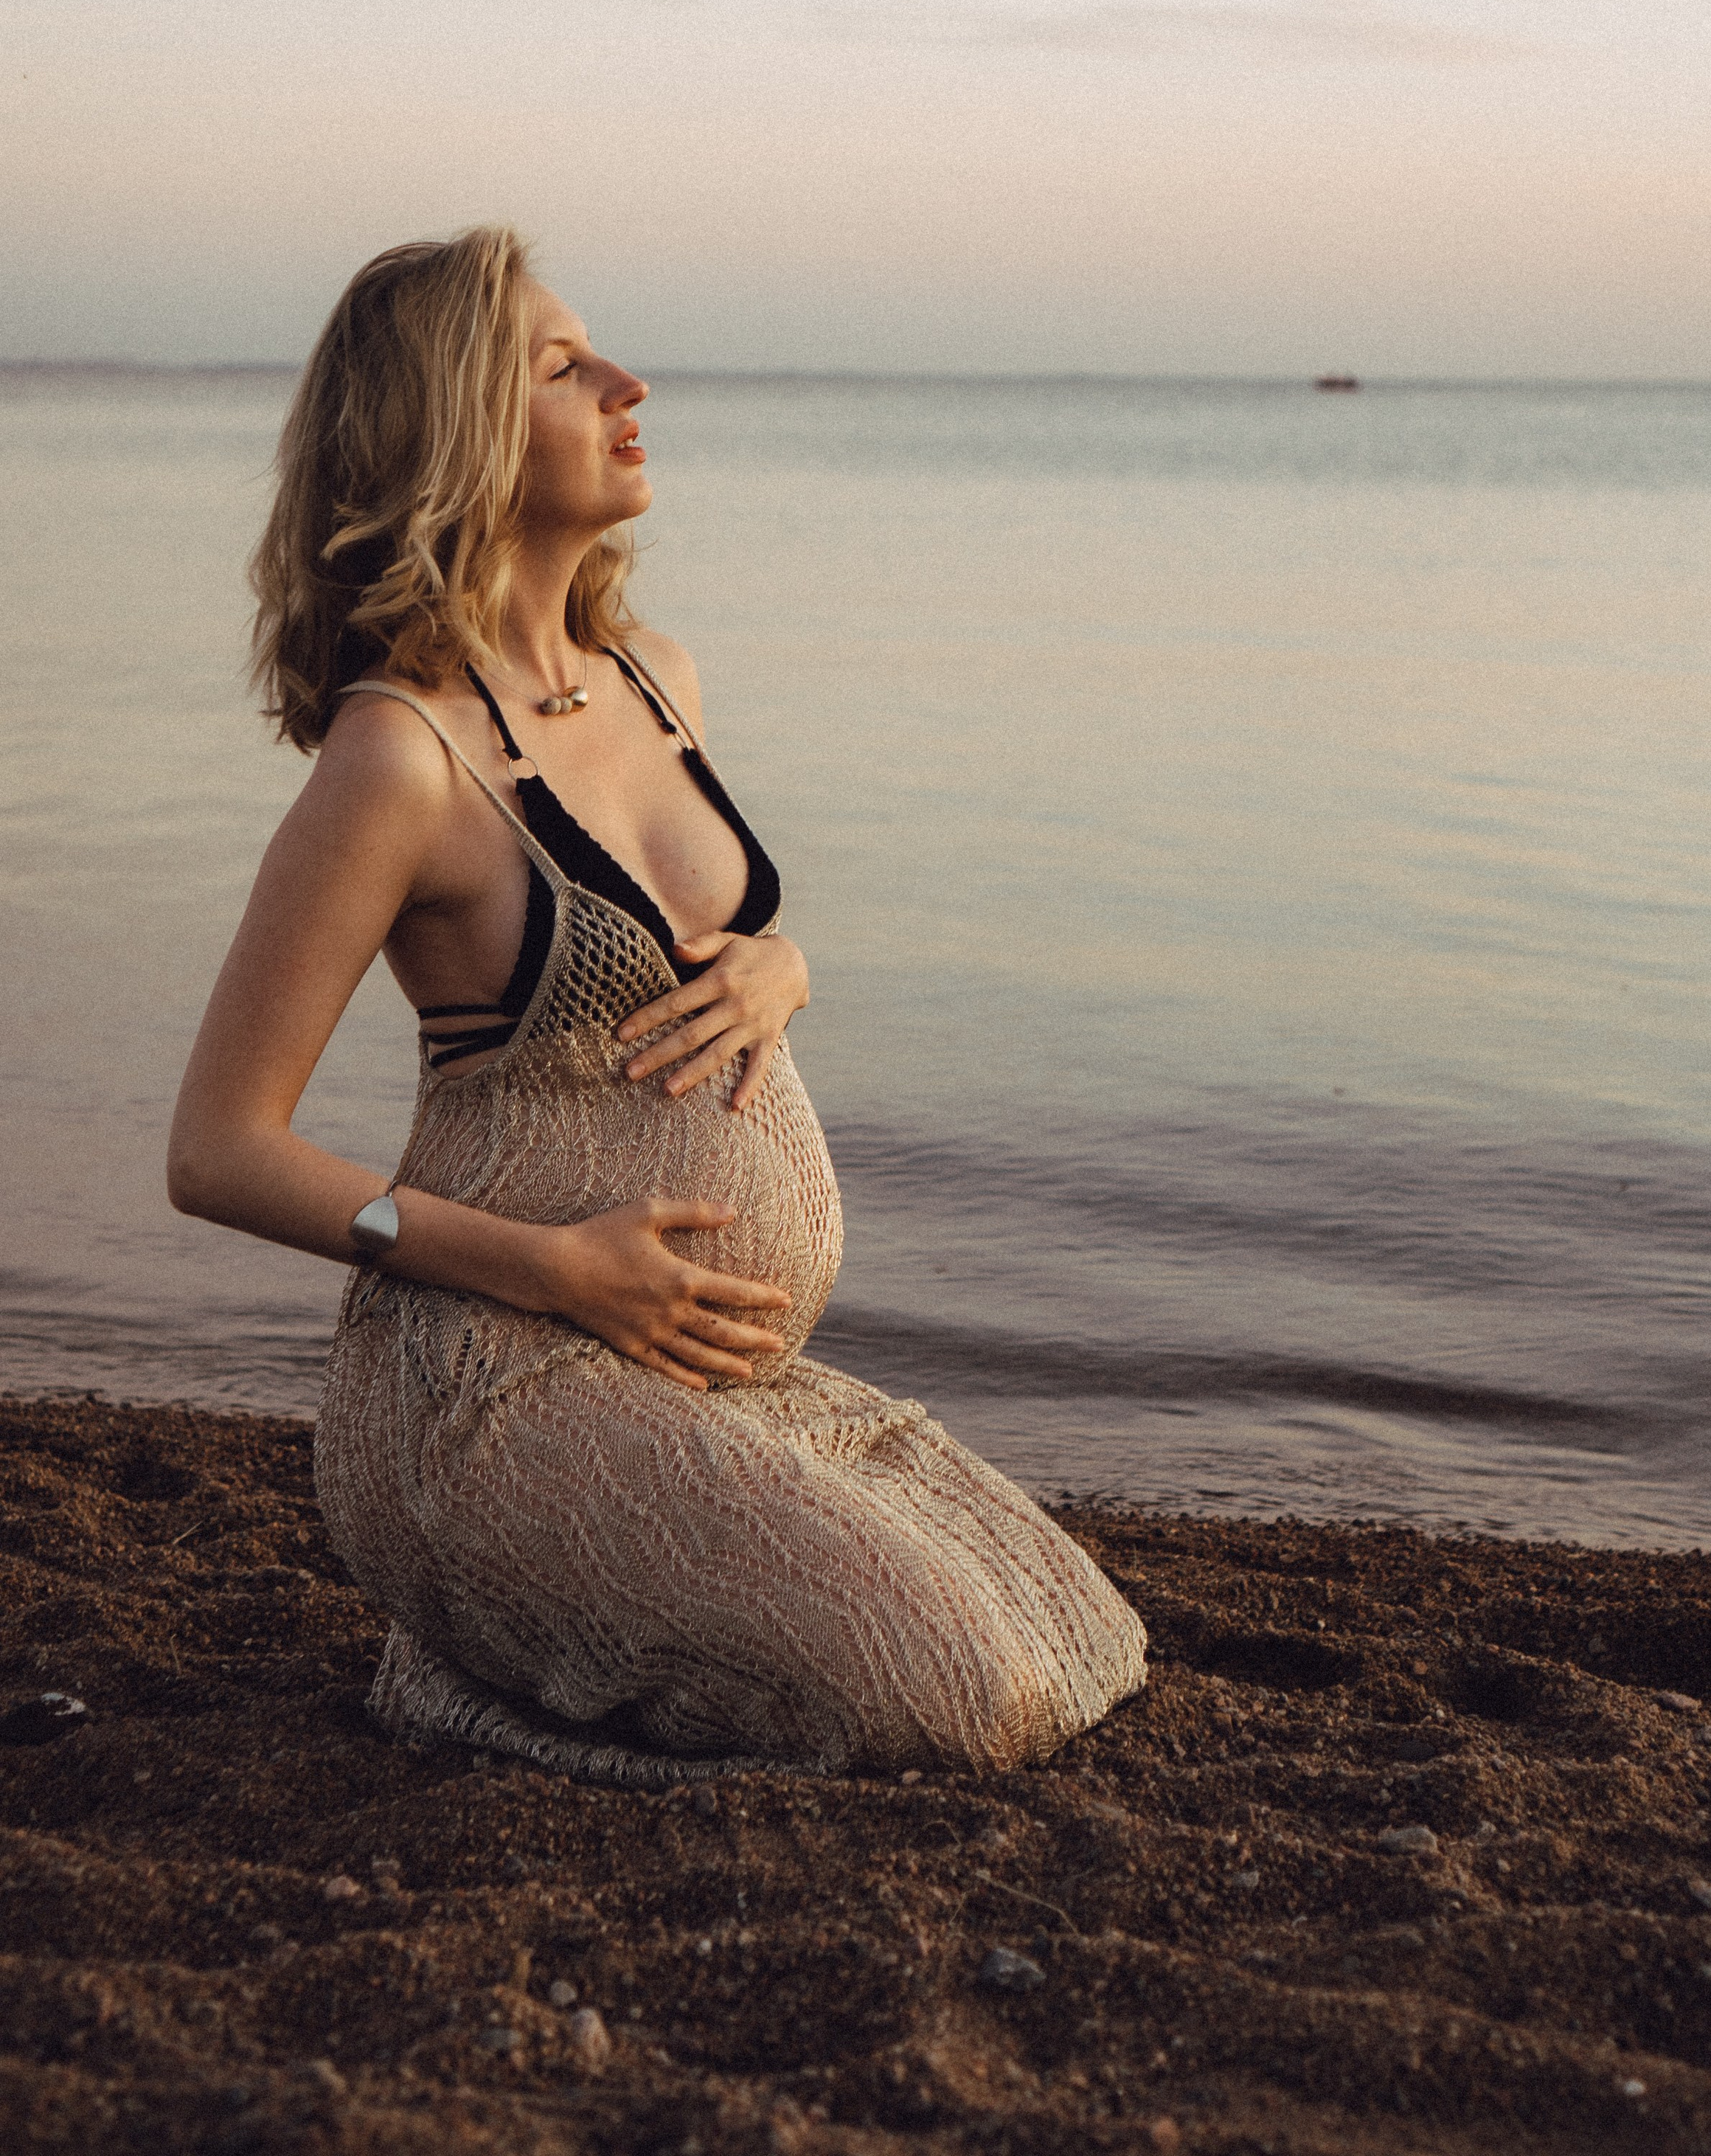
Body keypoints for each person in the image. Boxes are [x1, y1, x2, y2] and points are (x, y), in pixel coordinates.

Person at [168, 226, 1145, 1783]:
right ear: (458, 431)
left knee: (1077, 1638)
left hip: (683, 1371)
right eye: (564, 369)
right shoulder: (400, 757)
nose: (628, 386)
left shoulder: (654, 681)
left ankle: (543, 1623)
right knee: (963, 1708)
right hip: (490, 1384)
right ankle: (462, 1684)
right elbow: (220, 1149)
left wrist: (787, 961)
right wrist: (551, 1268)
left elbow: (699, 945)